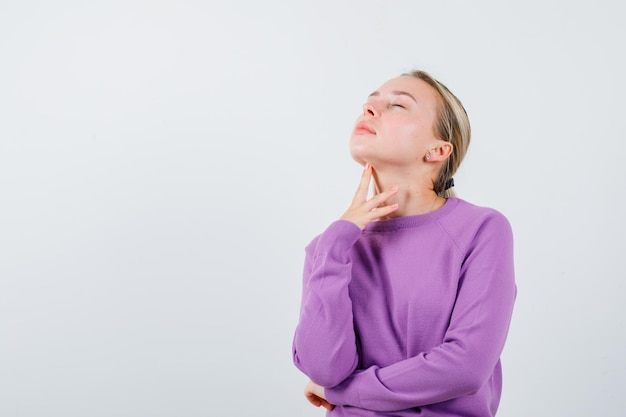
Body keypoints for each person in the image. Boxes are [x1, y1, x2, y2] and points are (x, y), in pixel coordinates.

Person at [292, 70, 516, 416]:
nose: (369, 108)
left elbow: (465, 367)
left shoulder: (482, 230)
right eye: (369, 101)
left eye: (397, 104)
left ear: (438, 150)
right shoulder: (329, 248)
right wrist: (337, 239)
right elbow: (324, 370)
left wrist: (345, 391)